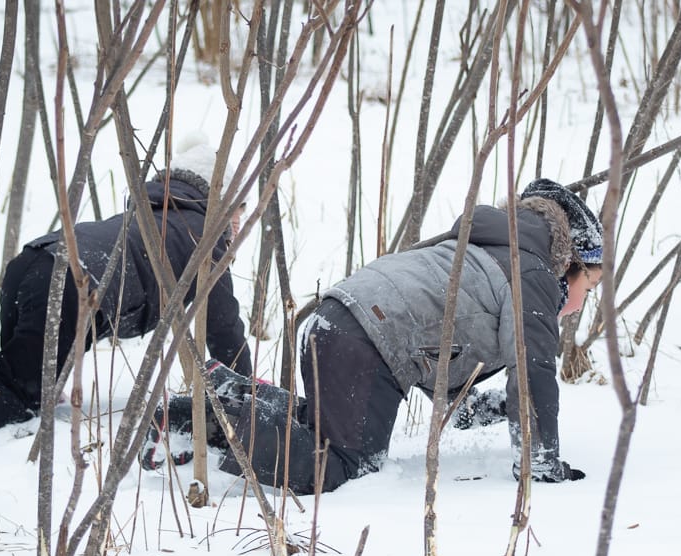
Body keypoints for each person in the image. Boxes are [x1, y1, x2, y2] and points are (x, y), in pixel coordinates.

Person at [143, 178, 603, 495]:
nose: (583, 303)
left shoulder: (484, 247)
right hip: (367, 343)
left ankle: (223, 393)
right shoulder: (533, 273)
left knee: (317, 430)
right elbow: (534, 369)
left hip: (335, 320)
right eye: (590, 286)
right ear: (570, 265)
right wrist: (541, 461)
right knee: (339, 464)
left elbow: (449, 373)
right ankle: (209, 423)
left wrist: (494, 407)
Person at [0, 134, 252, 456]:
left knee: (18, 372)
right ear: (221, 202)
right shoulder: (205, 235)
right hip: (69, 282)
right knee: (28, 396)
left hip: (33, 260)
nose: (238, 224)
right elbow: (223, 325)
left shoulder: (152, 209)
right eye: (239, 210)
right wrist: (246, 392)